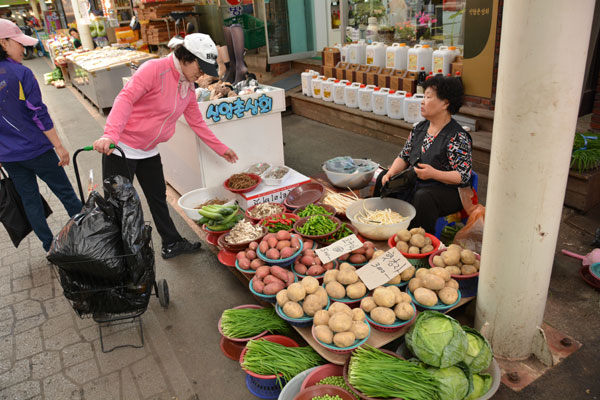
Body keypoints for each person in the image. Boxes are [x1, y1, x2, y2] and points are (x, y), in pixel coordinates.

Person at [93, 33, 239, 260]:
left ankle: (171, 242)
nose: (201, 74)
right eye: (200, 68)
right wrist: (110, 134)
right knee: (118, 206)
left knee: (158, 198)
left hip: (148, 150)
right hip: (121, 147)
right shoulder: (154, 69)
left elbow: (197, 123)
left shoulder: (187, 86)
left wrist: (221, 148)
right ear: (186, 57)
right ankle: (116, 258)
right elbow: (125, 98)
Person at [0, 19, 83, 252]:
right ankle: (89, 234)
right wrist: (59, 145)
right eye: (18, 43)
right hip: (37, 149)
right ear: (3, 42)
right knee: (65, 192)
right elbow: (39, 113)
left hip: (9, 156)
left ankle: (50, 247)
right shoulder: (21, 73)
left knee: (30, 200)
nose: (23, 49)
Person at [374, 75, 473, 234]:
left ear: (445, 103)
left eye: (428, 97)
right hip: (417, 182)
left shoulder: (457, 137)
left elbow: (463, 176)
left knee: (424, 196)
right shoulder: (420, 128)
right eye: (423, 96)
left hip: (447, 191)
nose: (422, 101)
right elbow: (404, 156)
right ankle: (383, 227)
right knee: (383, 179)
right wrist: (391, 172)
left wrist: (434, 174)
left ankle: (420, 240)